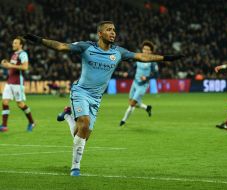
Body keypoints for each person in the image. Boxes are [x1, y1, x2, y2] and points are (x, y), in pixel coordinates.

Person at [23, 21, 184, 176]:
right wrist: (38, 40)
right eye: (109, 29)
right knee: (84, 123)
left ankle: (66, 115)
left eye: (114, 30)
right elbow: (61, 46)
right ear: (100, 33)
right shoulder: (86, 47)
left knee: (83, 134)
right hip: (81, 92)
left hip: (96, 98)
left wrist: (166, 58)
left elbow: (142, 57)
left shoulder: (118, 52)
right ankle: (75, 167)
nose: (113, 32)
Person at [119, 40, 158, 126]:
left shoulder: (153, 61)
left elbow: (156, 74)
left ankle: (123, 120)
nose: (145, 51)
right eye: (144, 49)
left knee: (132, 104)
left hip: (143, 85)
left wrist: (146, 77)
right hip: (135, 83)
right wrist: (128, 73)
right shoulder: (139, 57)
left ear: (151, 51)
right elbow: (133, 67)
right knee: (132, 103)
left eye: (148, 49)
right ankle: (147, 107)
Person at [0, 36, 35, 132]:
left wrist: (10, 65)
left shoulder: (23, 54)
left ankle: (32, 122)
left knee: (20, 104)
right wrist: (6, 63)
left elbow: (25, 67)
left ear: (21, 45)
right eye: (13, 42)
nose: (13, 44)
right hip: (9, 82)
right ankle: (4, 125)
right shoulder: (14, 54)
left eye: (15, 43)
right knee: (4, 102)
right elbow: (13, 67)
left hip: (17, 83)